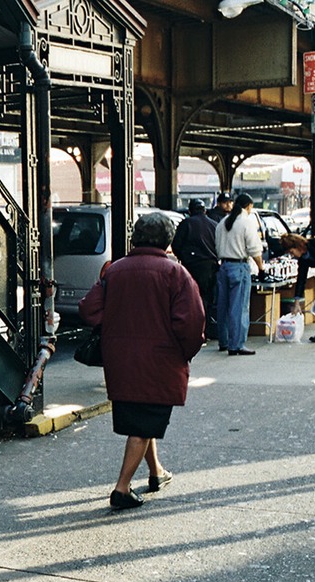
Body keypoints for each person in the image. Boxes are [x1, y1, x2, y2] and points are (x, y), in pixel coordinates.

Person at [78, 213, 205, 510]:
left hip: (121, 360)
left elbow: (88, 310)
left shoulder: (115, 270)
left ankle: (156, 472)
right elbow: (192, 322)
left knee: (143, 419)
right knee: (145, 420)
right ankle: (121, 488)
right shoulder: (176, 273)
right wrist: (185, 351)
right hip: (160, 361)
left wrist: (112, 328)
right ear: (167, 240)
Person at [213, 193, 264, 356]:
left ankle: (224, 341)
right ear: (248, 206)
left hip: (223, 267)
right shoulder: (246, 223)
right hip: (239, 267)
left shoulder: (222, 223)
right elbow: (254, 249)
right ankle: (237, 344)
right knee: (239, 307)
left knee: (223, 306)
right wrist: (261, 268)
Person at [171, 198, 219, 339]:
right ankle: (207, 330)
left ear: (190, 211)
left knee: (191, 298)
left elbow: (176, 245)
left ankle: (196, 330)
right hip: (210, 266)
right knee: (207, 298)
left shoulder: (186, 224)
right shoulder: (214, 225)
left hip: (191, 266)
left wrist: (184, 257)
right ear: (204, 210)